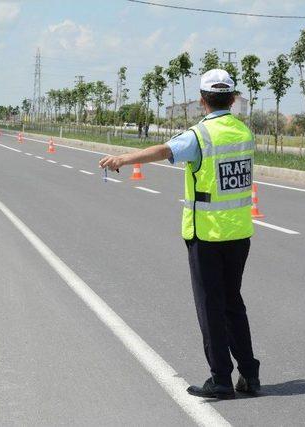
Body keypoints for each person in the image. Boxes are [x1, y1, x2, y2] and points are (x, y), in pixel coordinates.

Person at [99, 69, 260, 400]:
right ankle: (249, 374)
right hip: (239, 233)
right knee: (233, 303)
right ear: (232, 99)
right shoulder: (244, 132)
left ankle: (220, 379)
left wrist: (122, 159)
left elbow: (163, 151)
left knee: (210, 306)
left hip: (207, 235)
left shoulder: (201, 136)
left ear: (202, 101)